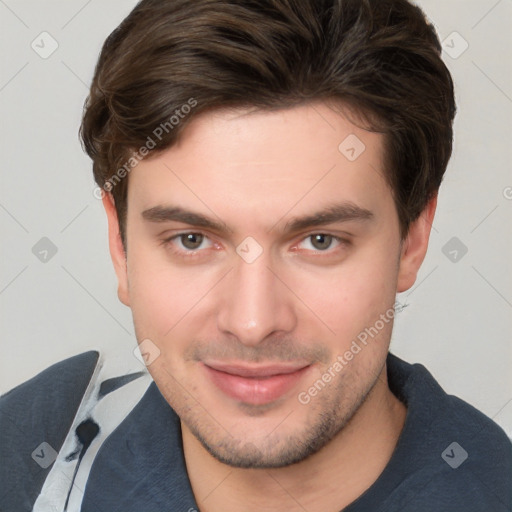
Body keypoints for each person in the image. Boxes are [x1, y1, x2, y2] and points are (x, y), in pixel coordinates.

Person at [1, 0, 511, 510]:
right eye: (192, 240)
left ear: (413, 239)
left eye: (319, 241)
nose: (252, 322)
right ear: (121, 245)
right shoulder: (30, 456)